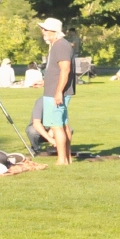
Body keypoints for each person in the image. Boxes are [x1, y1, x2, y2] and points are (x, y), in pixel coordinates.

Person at [39, 17, 76, 165]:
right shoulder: (58, 45)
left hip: (56, 93)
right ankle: (67, 158)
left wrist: (58, 91)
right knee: (63, 124)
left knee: (57, 126)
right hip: (54, 90)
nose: (43, 32)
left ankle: (62, 160)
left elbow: (65, 70)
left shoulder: (60, 45)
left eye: (45, 30)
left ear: (54, 31)